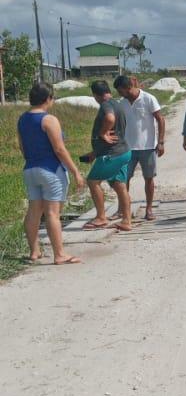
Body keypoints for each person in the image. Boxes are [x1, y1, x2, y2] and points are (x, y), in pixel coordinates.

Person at [16, 81, 85, 266]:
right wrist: (76, 172)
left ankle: (34, 251)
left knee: (33, 212)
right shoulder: (49, 120)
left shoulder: (22, 119)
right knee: (53, 214)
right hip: (51, 170)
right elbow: (59, 149)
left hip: (30, 169)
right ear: (48, 98)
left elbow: (22, 147)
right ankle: (59, 254)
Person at [113, 74, 166, 221]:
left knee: (148, 178)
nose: (119, 93)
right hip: (127, 148)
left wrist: (160, 142)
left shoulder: (148, 99)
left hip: (148, 147)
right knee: (124, 179)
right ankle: (123, 209)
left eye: (120, 90)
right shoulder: (121, 103)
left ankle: (149, 209)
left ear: (128, 87)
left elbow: (160, 119)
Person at [83, 80, 133, 232]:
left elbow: (110, 119)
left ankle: (101, 217)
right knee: (120, 185)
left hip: (112, 154)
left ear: (95, 95)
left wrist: (103, 132)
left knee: (92, 182)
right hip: (123, 151)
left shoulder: (106, 104)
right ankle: (126, 220)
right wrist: (95, 152)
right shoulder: (117, 104)